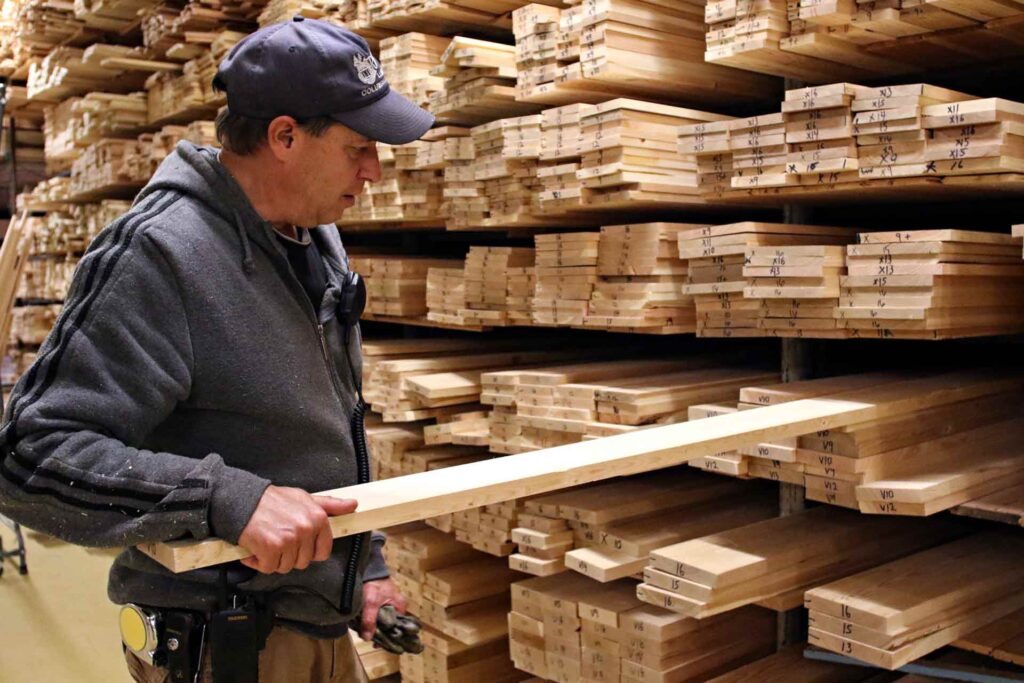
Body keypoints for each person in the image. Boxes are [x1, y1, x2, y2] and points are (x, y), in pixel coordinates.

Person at [0, 17, 434, 682]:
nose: (374, 170)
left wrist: (362, 567)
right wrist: (229, 498)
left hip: (315, 624)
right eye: (358, 147)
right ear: (285, 137)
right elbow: (29, 457)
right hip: (221, 647)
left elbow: (322, 429)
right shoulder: (159, 255)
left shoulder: (313, 238)